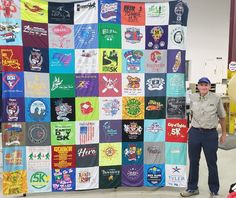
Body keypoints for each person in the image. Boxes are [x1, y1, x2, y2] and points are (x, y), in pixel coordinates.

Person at [180, 77, 227, 198]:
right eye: (201, 85)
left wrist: (224, 134)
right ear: (198, 86)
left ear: (209, 86)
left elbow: (222, 117)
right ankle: (192, 188)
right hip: (195, 133)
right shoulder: (192, 97)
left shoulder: (216, 98)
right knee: (194, 162)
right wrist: (189, 127)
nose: (203, 87)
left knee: (212, 163)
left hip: (210, 134)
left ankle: (214, 190)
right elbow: (188, 111)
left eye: (206, 85)